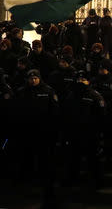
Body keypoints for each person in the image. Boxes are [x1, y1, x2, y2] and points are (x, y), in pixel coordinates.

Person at [15, 69, 59, 207]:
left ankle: (46, 188)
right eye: (31, 78)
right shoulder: (22, 91)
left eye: (35, 78)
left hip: (44, 133)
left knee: (45, 161)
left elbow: (54, 111)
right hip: (27, 133)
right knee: (27, 159)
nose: (33, 80)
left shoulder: (48, 91)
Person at [61, 70, 105, 188]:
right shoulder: (71, 95)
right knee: (73, 159)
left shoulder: (95, 96)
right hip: (74, 134)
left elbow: (101, 116)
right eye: (79, 80)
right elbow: (66, 114)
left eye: (83, 80)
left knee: (93, 160)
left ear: (88, 81)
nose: (81, 82)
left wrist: (97, 132)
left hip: (90, 134)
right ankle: (72, 179)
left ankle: (96, 182)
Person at [90, 58, 112, 163]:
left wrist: (98, 94)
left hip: (108, 111)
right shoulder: (94, 80)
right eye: (100, 69)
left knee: (108, 134)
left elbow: (110, 94)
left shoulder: (111, 80)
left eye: (103, 69)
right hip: (96, 111)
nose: (101, 71)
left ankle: (109, 153)